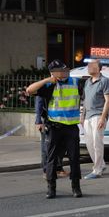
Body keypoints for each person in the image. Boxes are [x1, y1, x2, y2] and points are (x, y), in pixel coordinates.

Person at [26, 59, 82, 199]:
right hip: (54, 128)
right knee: (51, 159)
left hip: (71, 128)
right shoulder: (49, 85)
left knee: (74, 158)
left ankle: (76, 187)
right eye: (61, 70)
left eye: (65, 69)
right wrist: (47, 80)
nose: (64, 72)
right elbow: (29, 90)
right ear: (54, 73)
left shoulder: (76, 82)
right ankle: (51, 189)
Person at [81, 59, 109, 180]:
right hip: (88, 116)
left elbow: (108, 100)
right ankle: (101, 164)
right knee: (89, 143)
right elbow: (85, 100)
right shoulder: (87, 82)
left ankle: (97, 170)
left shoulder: (104, 81)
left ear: (99, 68)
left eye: (92, 66)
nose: (89, 67)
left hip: (98, 115)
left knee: (97, 143)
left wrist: (103, 118)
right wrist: (82, 116)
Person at [35, 96, 68, 180]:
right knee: (47, 146)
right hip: (47, 120)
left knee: (61, 146)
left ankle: (58, 168)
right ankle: (46, 170)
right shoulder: (45, 84)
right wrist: (38, 121)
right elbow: (39, 103)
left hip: (61, 119)